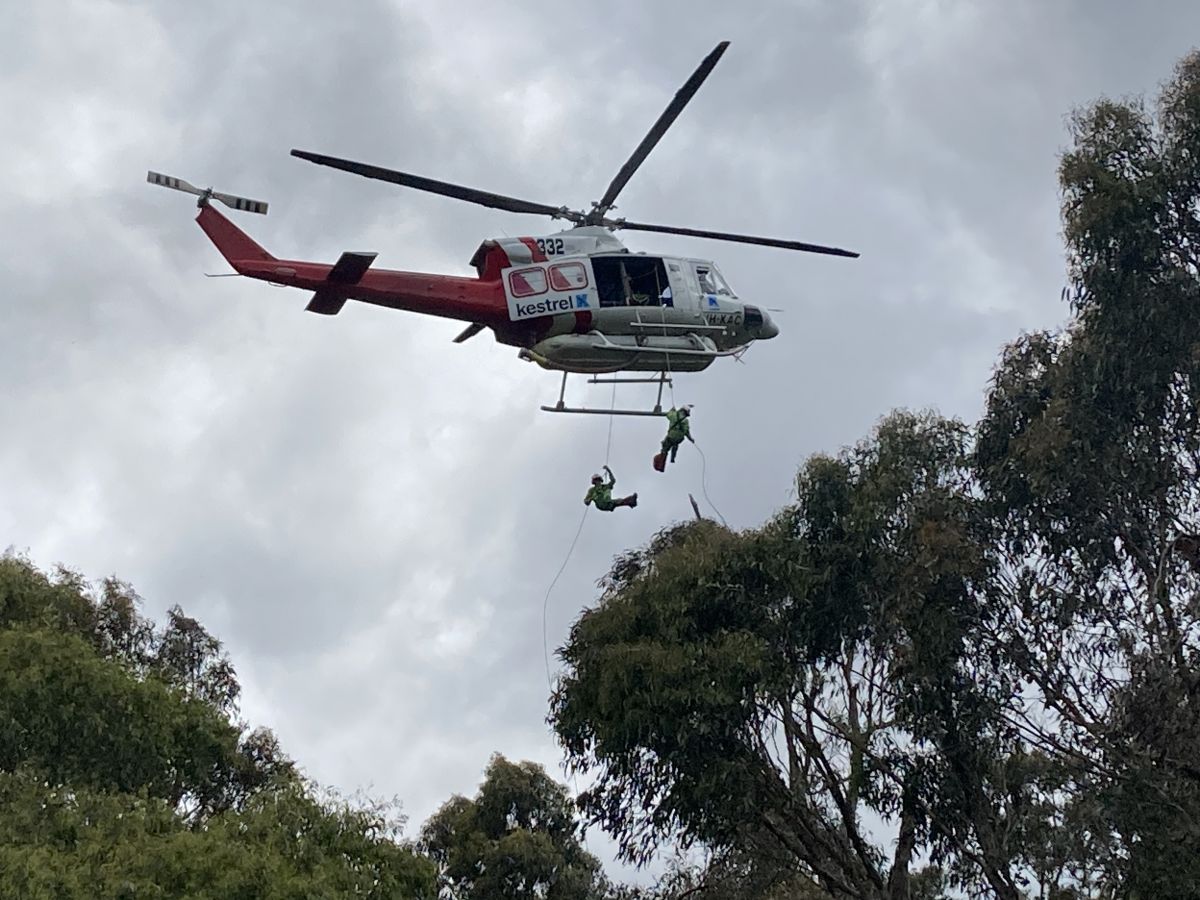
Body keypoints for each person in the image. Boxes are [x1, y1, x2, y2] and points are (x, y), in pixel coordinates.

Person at [654, 406, 694, 470]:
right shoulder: (685, 421)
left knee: (665, 449)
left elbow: (668, 414)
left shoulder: (674, 415)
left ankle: (661, 465)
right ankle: (672, 458)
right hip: (678, 439)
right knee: (675, 445)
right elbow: (686, 432)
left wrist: (672, 410)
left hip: (671, 437)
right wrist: (691, 439)